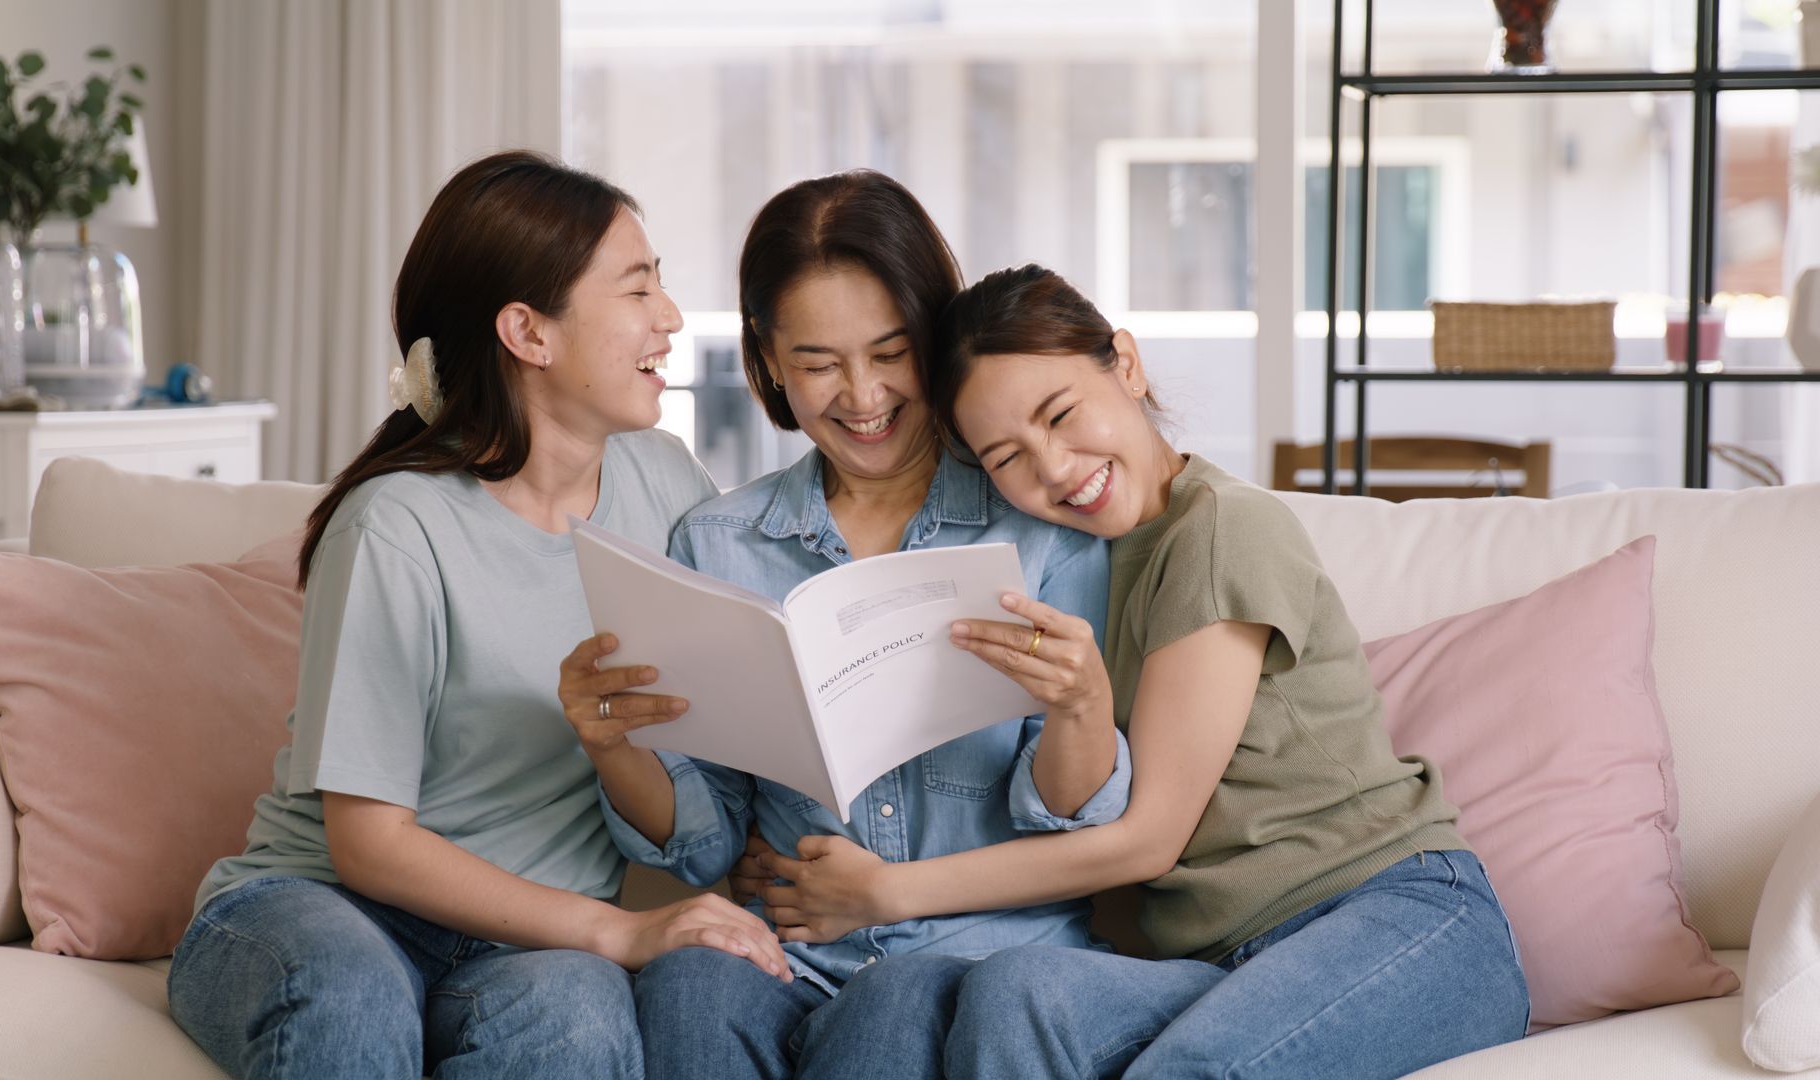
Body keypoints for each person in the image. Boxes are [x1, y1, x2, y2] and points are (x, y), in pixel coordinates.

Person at [736, 264, 1530, 1080]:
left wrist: (886, 892)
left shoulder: (1219, 532)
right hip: (1225, 966)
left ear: (1126, 363)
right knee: (1014, 993)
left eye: (1062, 414)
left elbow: (1148, 839)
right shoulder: (1072, 567)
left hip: (1398, 921)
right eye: (1008, 456)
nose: (1052, 468)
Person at [166, 151, 788, 1080]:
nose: (668, 318)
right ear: (528, 333)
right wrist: (619, 931)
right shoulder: (397, 525)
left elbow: (713, 739)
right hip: (320, 909)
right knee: (353, 995)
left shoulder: (666, 485)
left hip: (513, 946)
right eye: (637, 289)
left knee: (580, 1021)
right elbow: (368, 843)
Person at [556, 173, 1127, 1080]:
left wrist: (1081, 707)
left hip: (974, 952)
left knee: (895, 1005)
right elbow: (705, 845)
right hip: (795, 953)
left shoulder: (1036, 520)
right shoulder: (717, 542)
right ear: (771, 363)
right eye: (819, 364)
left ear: (934, 340)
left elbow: (1069, 823)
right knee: (689, 986)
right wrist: (611, 746)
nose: (861, 396)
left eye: (891, 352)